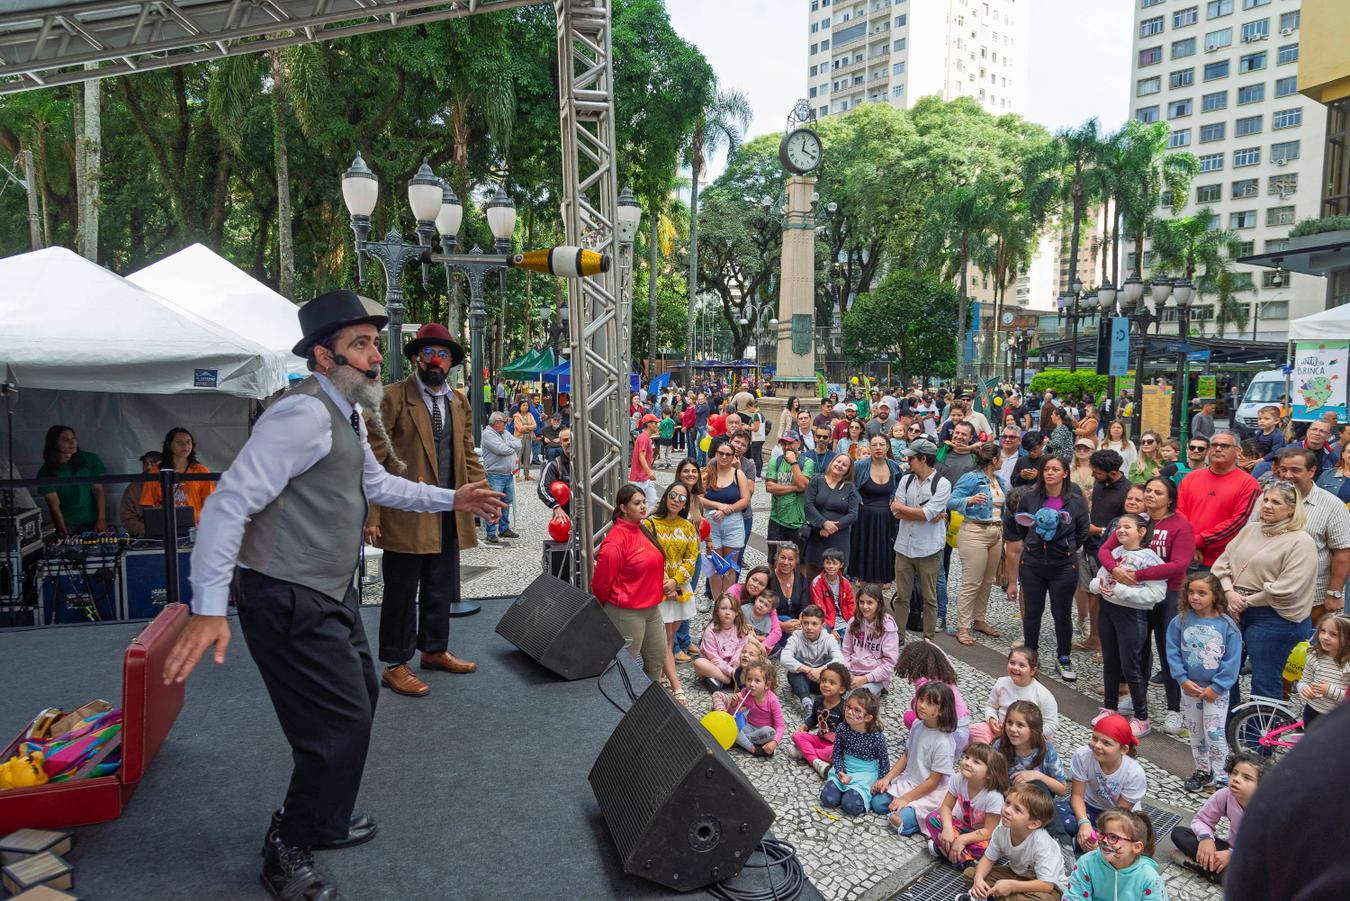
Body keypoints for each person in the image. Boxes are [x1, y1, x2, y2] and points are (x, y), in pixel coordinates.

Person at [161, 289, 506, 900]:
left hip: (327, 589)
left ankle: (322, 819)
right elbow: (227, 506)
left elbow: (380, 482)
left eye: (375, 343)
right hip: (285, 591)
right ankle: (286, 845)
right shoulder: (300, 415)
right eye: (360, 345)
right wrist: (208, 608)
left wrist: (453, 499)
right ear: (324, 356)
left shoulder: (344, 410)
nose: (376, 357)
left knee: (361, 698)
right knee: (337, 725)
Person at [364, 322, 482, 698]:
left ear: (451, 363)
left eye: (443, 354)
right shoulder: (391, 397)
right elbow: (374, 462)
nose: (435, 360)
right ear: (416, 357)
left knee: (440, 583)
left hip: (449, 508)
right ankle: (395, 664)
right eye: (428, 353)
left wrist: (483, 496)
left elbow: (466, 452)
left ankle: (433, 649)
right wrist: (373, 515)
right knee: (401, 588)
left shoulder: (458, 401)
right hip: (405, 512)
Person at [1211, 480, 1318, 703]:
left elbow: (1288, 588)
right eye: (1266, 500)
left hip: (1274, 617)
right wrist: (1230, 593)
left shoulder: (1301, 541)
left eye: (1276, 502)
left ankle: (1258, 737)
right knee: (1224, 673)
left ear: (1291, 508)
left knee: (1265, 680)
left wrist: (1245, 601)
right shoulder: (1250, 529)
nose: (1267, 505)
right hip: (1235, 607)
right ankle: (1227, 729)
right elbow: (1222, 564)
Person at [1008, 455, 1090, 682]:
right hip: (1033, 563)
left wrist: (1067, 547)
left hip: (1063, 564)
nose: (1050, 473)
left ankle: (1063, 657)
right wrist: (1035, 544)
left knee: (1062, 613)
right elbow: (1022, 525)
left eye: (1056, 469)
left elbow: (1082, 531)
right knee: (1032, 613)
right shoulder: (1031, 497)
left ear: (1065, 472)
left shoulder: (1075, 500)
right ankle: (1030, 656)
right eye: (1047, 469)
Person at [1089, 513, 1167, 737]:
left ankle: (1141, 717)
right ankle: (1110, 707)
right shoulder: (1114, 553)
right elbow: (1100, 576)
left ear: (1141, 532)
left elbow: (1157, 593)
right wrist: (1098, 586)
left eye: (1127, 527)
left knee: (1131, 665)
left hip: (1132, 615)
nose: (1121, 530)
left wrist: (1123, 591)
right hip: (1108, 610)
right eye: (1119, 526)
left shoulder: (1149, 558)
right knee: (1110, 661)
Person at [1166, 572, 1244, 791]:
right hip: (1190, 688)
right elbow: (1172, 651)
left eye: (1202, 593)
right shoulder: (1180, 621)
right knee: (1196, 732)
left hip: (1215, 692)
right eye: (1191, 592)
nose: (1195, 597)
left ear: (1215, 595)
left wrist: (1217, 687)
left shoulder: (1226, 625)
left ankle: (1222, 774)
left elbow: (1232, 660)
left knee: (1214, 732)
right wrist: (1182, 679)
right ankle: (1202, 770)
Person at [592, 483, 669, 684]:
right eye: (637, 503)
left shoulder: (642, 529)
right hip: (626, 611)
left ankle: (647, 704)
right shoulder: (615, 541)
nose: (643, 506)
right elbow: (601, 584)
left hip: (651, 607)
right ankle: (624, 707)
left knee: (657, 659)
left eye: (644, 502)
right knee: (625, 667)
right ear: (623, 508)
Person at [1262, 446, 1350, 616]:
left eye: (1295, 470)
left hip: (1311, 598)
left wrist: (1335, 593)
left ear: (1311, 472)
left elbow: (1343, 553)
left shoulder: (1332, 506)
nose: (1287, 475)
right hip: (1263, 593)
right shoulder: (1266, 499)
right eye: (1283, 469)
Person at [871, 681, 959, 833]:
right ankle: (902, 807)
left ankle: (914, 819)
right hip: (910, 781)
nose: (922, 705)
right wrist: (887, 778)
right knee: (877, 803)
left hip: (931, 791)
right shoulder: (918, 725)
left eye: (930, 703)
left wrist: (906, 799)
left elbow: (933, 782)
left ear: (942, 710)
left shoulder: (944, 742)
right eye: (921, 699)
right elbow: (907, 755)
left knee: (900, 819)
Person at [959, 783, 1069, 901]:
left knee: (1044, 899)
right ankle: (991, 895)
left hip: (1046, 887)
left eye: (1017, 809)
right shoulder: (1002, 829)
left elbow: (1046, 885)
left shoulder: (1043, 844)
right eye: (1007, 802)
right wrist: (978, 880)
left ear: (1033, 824)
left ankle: (990, 896)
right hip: (1017, 875)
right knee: (971, 874)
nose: (1007, 810)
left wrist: (1012, 886)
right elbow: (988, 859)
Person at [890, 438, 953, 638]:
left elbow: (925, 513)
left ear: (922, 459)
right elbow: (895, 512)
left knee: (930, 598)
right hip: (903, 547)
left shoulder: (942, 484)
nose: (908, 461)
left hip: (929, 549)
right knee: (902, 596)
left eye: (911, 458)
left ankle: (929, 639)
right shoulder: (905, 480)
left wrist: (911, 510)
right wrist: (923, 513)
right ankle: (898, 637)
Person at [1060, 714, 1147, 854]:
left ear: (1123, 749)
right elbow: (1076, 796)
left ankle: (1076, 844)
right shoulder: (1083, 755)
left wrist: (1100, 836)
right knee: (1052, 813)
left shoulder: (1134, 773)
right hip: (1088, 808)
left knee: (1138, 837)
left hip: (1120, 815)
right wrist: (1084, 823)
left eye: (1106, 743)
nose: (1097, 746)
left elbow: (1119, 813)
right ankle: (1087, 845)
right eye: (1094, 738)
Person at [1169, 752, 1262, 885]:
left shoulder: (1268, 810)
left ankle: (1202, 868)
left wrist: (1232, 855)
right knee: (1179, 833)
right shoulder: (1224, 796)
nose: (1236, 779)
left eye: (1247, 778)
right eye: (1234, 773)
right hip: (1228, 848)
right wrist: (1206, 838)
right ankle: (1220, 873)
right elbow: (1202, 820)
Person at [948, 444, 1009, 646]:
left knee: (987, 580)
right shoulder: (971, 478)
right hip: (974, 531)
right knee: (971, 582)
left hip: (996, 532)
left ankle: (979, 620)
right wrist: (970, 500)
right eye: (999, 458)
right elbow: (950, 501)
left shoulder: (999, 481)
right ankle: (962, 626)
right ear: (994, 461)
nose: (1002, 461)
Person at [646, 481, 699, 707]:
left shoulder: (688, 526)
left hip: (678, 590)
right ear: (666, 496)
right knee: (665, 639)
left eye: (682, 498)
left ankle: (658, 675)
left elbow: (691, 558)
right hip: (658, 590)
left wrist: (675, 582)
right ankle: (676, 685)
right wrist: (662, 583)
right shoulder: (650, 524)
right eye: (674, 496)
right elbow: (646, 557)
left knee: (668, 637)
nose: (677, 501)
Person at [1073, 449, 1130, 656]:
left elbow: (1127, 526)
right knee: (1092, 594)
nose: (1093, 475)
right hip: (1089, 547)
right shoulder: (1099, 485)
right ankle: (1094, 638)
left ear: (1113, 472)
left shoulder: (1127, 491)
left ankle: (1109, 646)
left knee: (1110, 598)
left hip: (1111, 552)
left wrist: (1099, 530)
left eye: (1097, 471)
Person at [1177, 429, 1260, 568]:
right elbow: (1179, 512)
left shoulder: (1249, 484)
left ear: (1238, 451)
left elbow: (1238, 522)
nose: (1218, 449)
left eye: (1225, 446)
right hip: (1185, 555)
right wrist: (1189, 542)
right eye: (1214, 445)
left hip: (1222, 562)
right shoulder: (1190, 478)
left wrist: (1196, 541)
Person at [922, 743, 1009, 868]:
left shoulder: (993, 796)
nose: (968, 762)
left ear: (990, 773)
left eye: (976, 762)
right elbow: (946, 807)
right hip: (961, 827)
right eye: (967, 757)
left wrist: (962, 840)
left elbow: (989, 831)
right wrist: (947, 829)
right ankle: (966, 861)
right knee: (932, 818)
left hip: (983, 836)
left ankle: (943, 849)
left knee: (989, 849)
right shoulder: (958, 779)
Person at [1064, 809, 1168, 900]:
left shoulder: (1149, 878)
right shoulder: (1086, 863)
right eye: (1101, 833)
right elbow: (1074, 897)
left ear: (1136, 847)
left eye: (1113, 837)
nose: (1104, 841)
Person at [820, 688, 890, 816]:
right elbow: (837, 753)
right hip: (845, 767)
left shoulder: (876, 737)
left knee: (850, 805)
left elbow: (884, 761)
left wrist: (881, 781)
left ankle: (856, 794)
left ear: (868, 717)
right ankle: (843, 790)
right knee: (827, 799)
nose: (849, 712)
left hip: (866, 773)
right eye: (848, 707)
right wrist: (840, 771)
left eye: (856, 710)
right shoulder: (842, 728)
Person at [971, 648, 1060, 745]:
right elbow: (991, 706)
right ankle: (994, 751)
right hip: (1002, 729)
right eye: (1012, 663)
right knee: (974, 731)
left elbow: (1052, 724)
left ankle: (998, 753)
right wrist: (992, 718)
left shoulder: (1043, 694)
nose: (1015, 668)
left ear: (1033, 671)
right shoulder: (1001, 683)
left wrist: (1029, 734)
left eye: (1022, 665)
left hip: (1027, 736)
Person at [703, 440, 752, 597]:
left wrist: (727, 510)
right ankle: (718, 602)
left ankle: (728, 602)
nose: (724, 457)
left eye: (728, 454)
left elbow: (746, 499)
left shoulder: (739, 474)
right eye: (720, 453)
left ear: (733, 457)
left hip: (733, 522)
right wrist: (719, 505)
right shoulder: (707, 473)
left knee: (730, 566)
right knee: (715, 566)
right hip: (712, 523)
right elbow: (698, 497)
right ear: (715, 455)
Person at [36, 425, 107, 535]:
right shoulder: (46, 472)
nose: (72, 442)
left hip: (93, 520)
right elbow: (54, 506)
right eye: (66, 440)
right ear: (55, 444)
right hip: (68, 524)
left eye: (73, 438)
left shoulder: (90, 459)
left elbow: (99, 490)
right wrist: (62, 530)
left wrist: (101, 519)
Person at [780, 604, 846, 720]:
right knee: (795, 666)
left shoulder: (828, 638)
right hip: (802, 678)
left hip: (821, 680)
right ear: (801, 624)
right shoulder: (796, 636)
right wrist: (808, 669)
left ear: (822, 626)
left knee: (833, 664)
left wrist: (820, 670)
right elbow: (784, 658)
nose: (809, 627)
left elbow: (840, 659)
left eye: (814, 624)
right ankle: (807, 704)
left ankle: (830, 704)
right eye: (805, 623)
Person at [849, 435, 901, 585]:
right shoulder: (860, 465)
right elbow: (850, 483)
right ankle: (862, 585)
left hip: (886, 517)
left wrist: (894, 496)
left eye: (881, 444)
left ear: (887, 447)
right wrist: (858, 497)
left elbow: (899, 483)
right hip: (864, 516)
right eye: (874, 445)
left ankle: (880, 585)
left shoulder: (893, 466)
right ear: (869, 448)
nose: (878, 448)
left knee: (883, 552)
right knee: (863, 552)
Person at [803, 453, 860, 583]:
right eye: (838, 461)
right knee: (813, 579)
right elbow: (808, 505)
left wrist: (832, 527)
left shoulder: (850, 487)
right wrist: (823, 523)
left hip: (838, 538)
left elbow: (853, 514)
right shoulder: (817, 480)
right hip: (817, 535)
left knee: (835, 581)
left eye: (844, 465)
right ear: (832, 461)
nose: (840, 465)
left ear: (848, 470)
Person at [139, 427, 215, 524]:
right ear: (169, 445)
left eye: (188, 442)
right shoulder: (155, 472)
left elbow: (210, 503)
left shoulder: (201, 470)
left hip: (194, 528)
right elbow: (147, 504)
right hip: (165, 527)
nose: (185, 445)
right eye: (179, 442)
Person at [993, 701, 1067, 800]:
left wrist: (1038, 776)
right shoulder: (999, 746)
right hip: (1004, 800)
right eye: (1009, 722)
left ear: (1033, 730)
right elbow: (990, 778)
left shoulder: (1047, 750)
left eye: (1020, 725)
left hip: (1034, 805)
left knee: (1037, 784)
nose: (1012, 729)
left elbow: (1062, 789)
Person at [789, 661, 850, 778]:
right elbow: (813, 718)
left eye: (832, 683)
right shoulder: (818, 701)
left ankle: (805, 753)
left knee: (836, 752)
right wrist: (805, 727)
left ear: (841, 689)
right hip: (819, 739)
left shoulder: (844, 708)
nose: (826, 685)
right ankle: (816, 761)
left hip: (835, 745)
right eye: (823, 681)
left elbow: (848, 733)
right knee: (797, 736)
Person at [841, 583, 900, 695]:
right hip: (852, 671)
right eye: (861, 602)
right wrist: (846, 671)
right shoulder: (853, 622)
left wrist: (865, 678)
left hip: (874, 676)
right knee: (834, 692)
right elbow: (846, 651)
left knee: (856, 698)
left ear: (879, 604)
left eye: (870, 602)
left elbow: (889, 664)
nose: (865, 606)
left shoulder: (888, 626)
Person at [1295, 612, 1350, 729]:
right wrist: (1304, 689)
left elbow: (1347, 699)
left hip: (1338, 717)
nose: (1325, 637)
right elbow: (1303, 681)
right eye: (1323, 631)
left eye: (1333, 634)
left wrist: (1329, 690)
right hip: (1312, 712)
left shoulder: (1347, 665)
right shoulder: (1314, 656)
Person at [764, 431, 815, 555]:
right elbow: (769, 487)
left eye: (790, 443)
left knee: (798, 560)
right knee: (773, 558)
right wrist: (794, 488)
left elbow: (803, 485)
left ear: (798, 443)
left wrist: (793, 463)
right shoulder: (775, 461)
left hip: (798, 521)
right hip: (777, 519)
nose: (787, 447)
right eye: (784, 444)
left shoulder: (807, 462)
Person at [721, 660, 785, 756]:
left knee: (770, 732)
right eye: (749, 679)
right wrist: (733, 705)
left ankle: (740, 741)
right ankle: (754, 749)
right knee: (733, 726)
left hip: (763, 732)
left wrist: (774, 742)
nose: (751, 684)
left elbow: (780, 726)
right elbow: (732, 716)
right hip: (749, 727)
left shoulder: (772, 701)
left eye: (757, 681)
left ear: (767, 685)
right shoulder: (745, 692)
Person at [694, 593, 754, 691]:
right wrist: (731, 672)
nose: (727, 612)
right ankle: (728, 681)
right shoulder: (710, 631)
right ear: (717, 611)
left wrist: (735, 666)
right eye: (723, 608)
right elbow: (714, 658)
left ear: (737, 612)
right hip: (715, 665)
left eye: (731, 609)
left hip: (734, 665)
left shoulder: (741, 629)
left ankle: (716, 680)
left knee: (753, 659)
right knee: (699, 663)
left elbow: (740, 651)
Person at [479, 411, 521, 544]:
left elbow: (518, 443)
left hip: (508, 474)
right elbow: (501, 450)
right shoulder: (488, 434)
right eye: (504, 422)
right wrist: (511, 447)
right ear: (497, 423)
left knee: (506, 502)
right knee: (493, 503)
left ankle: (504, 528)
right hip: (495, 474)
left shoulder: (504, 433)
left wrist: (508, 444)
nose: (506, 425)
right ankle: (491, 532)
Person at [118, 451, 161, 537]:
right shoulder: (133, 488)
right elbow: (127, 518)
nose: (148, 466)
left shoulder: (174, 484)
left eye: (153, 462)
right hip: (145, 537)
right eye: (145, 463)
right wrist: (147, 531)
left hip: (174, 534)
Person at [536, 428, 573, 522]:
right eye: (565, 440)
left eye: (571, 439)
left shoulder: (588, 463)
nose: (569, 442)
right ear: (560, 444)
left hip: (588, 513)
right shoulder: (554, 465)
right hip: (565, 516)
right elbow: (542, 488)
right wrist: (556, 506)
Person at [628, 412, 659, 508]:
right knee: (637, 504)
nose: (657, 425)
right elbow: (641, 456)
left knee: (653, 501)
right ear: (649, 424)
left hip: (644, 478)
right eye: (655, 423)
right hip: (639, 478)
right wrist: (649, 472)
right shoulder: (644, 438)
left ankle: (644, 521)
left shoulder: (645, 438)